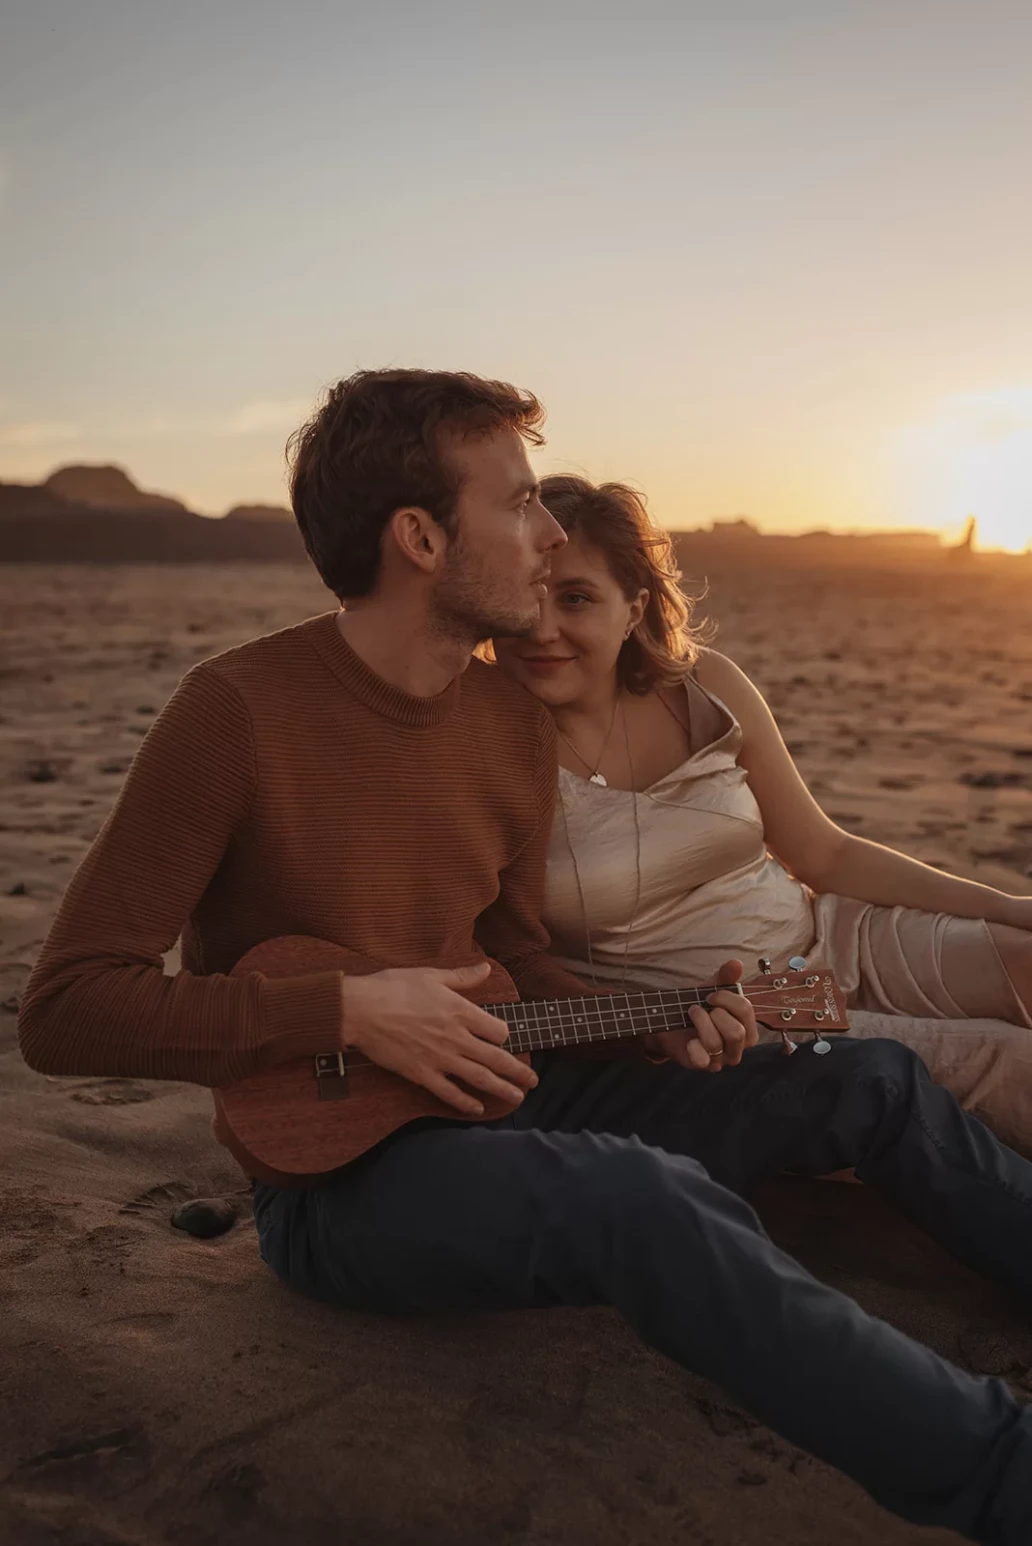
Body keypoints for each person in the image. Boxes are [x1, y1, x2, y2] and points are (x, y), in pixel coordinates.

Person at [16, 371, 1032, 1544]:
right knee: (645, 1202)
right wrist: (344, 1009)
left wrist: (647, 1018)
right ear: (420, 538)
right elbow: (68, 1009)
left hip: (524, 1082)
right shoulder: (235, 712)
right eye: (517, 504)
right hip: (344, 1176)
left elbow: (517, 965)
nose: (549, 530)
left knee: (872, 1082)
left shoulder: (504, 726)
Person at [491, 475, 1032, 1155]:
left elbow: (825, 855)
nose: (543, 629)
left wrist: (1007, 906)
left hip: (834, 941)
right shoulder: (484, 749)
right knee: (1013, 1064)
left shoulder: (701, 686)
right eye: (525, 597)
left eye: (575, 598)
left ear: (632, 609)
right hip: (743, 1014)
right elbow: (509, 962)